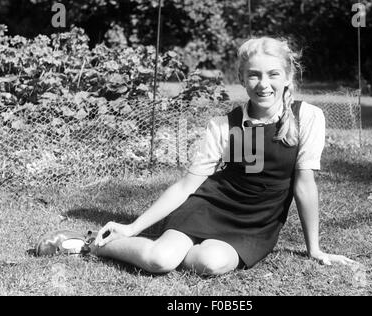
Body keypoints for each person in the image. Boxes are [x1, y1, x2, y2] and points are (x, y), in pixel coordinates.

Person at [92, 37, 356, 275]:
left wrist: (315, 249)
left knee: (210, 263)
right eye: (253, 75)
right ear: (241, 79)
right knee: (160, 260)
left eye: (273, 74)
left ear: (287, 77)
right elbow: (187, 185)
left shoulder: (307, 117)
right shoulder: (223, 124)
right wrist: (132, 227)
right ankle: (99, 246)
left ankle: (179, 248)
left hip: (256, 224)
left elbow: (304, 184)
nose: (263, 84)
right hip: (207, 207)